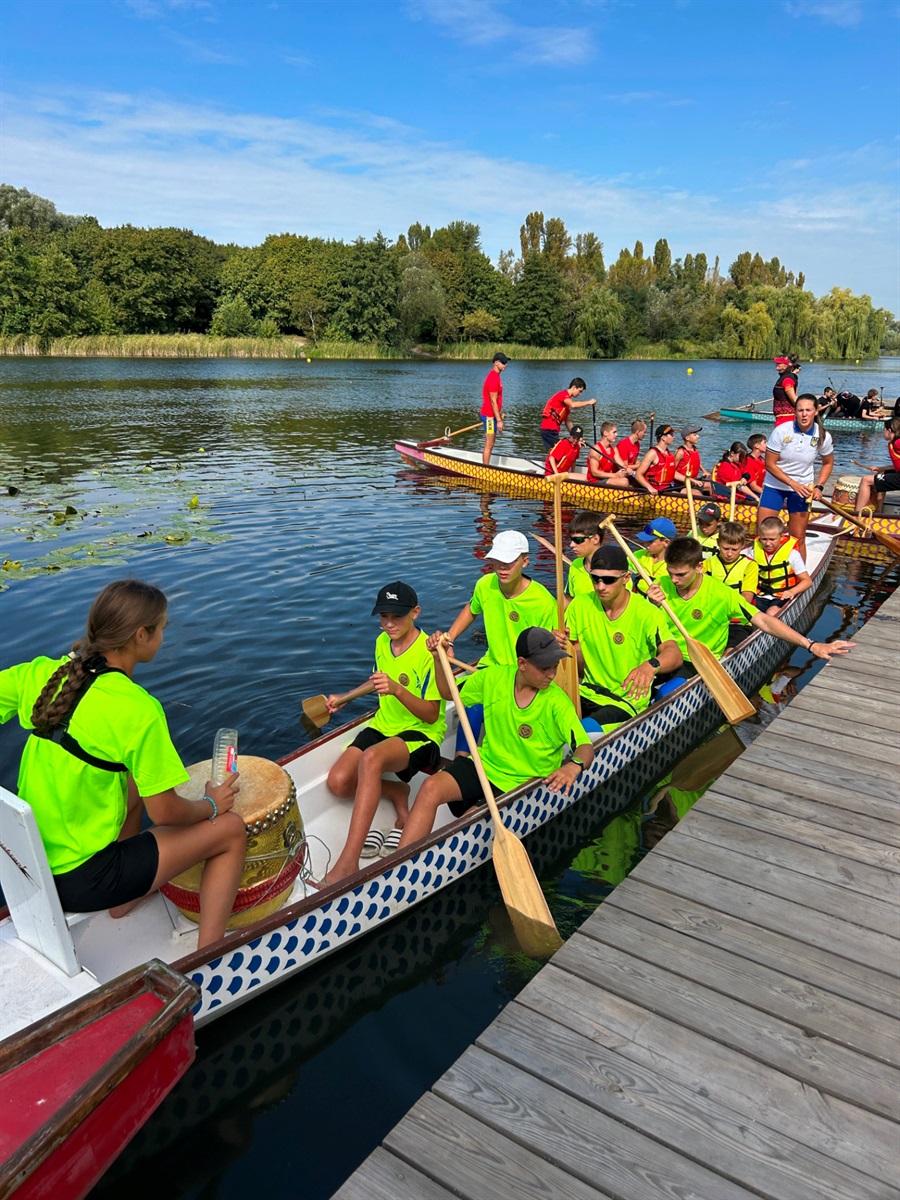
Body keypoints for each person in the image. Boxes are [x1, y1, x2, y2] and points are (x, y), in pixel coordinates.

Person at [0, 579, 245, 950]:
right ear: (141, 635)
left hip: (29, 870)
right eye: (163, 628)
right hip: (85, 880)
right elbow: (165, 813)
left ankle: (124, 899)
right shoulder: (137, 708)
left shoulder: (43, 675)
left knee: (130, 776)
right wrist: (211, 804)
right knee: (230, 830)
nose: (164, 635)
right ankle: (211, 956)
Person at [396, 627, 594, 849]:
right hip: (486, 765)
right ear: (522, 663)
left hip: (521, 782)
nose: (552, 674)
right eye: (544, 668)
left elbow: (585, 747)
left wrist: (573, 767)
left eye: (555, 667)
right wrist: (437, 660)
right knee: (430, 787)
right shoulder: (494, 677)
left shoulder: (557, 703)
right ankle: (400, 863)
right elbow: (448, 693)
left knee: (468, 824)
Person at [322, 581, 446, 883]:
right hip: (383, 725)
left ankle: (348, 862)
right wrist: (345, 697)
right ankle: (395, 790)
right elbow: (379, 681)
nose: (389, 624)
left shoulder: (429, 651)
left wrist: (398, 690)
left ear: (415, 613)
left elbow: (431, 714)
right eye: (383, 617)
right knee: (337, 783)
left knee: (372, 759)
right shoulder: (382, 642)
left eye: (397, 617)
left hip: (421, 733)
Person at [646, 537, 854, 661]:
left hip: (697, 661)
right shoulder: (661, 583)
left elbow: (763, 621)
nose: (674, 580)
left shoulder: (721, 593)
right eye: (670, 573)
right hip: (662, 654)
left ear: (699, 567)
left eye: (681, 575)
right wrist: (649, 604)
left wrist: (811, 645)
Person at [566, 544, 682, 732]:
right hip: (586, 691)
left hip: (626, 702)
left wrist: (650, 666)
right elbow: (565, 648)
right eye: (595, 578)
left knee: (582, 731)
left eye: (608, 580)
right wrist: (556, 644)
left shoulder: (646, 613)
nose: (600, 586)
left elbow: (674, 653)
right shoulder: (580, 604)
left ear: (626, 578)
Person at [758, 393, 834, 559]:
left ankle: (801, 578)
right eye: (800, 410)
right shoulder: (781, 431)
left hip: (803, 489)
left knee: (798, 537)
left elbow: (827, 463)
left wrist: (819, 486)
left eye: (808, 410)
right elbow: (769, 464)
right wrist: (792, 483)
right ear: (795, 412)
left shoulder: (823, 436)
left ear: (816, 411)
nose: (804, 414)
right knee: (762, 534)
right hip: (775, 487)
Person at [704, 521, 758, 644]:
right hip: (712, 618)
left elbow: (746, 599)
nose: (729, 553)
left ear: (743, 545)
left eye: (734, 549)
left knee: (732, 646)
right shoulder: (707, 564)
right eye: (725, 548)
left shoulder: (750, 566)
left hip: (738, 621)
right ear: (718, 543)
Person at [751, 516, 811, 614]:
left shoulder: (792, 554)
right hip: (760, 595)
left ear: (781, 537)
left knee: (771, 612)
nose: (767, 543)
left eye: (772, 539)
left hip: (782, 596)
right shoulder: (754, 552)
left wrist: (792, 591)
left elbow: (807, 581)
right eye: (764, 539)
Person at [855, 418, 900, 513]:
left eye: (884, 429)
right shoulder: (893, 443)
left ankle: (856, 516)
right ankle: (879, 511)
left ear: (889, 430)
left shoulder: (897, 443)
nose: (883, 431)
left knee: (866, 480)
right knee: (883, 474)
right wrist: (881, 469)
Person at [539, 378, 596, 450]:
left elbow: (568, 422)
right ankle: (551, 461)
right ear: (574, 387)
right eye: (580, 391)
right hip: (548, 429)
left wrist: (577, 437)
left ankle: (552, 460)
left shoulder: (567, 403)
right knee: (560, 451)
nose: (580, 394)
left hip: (553, 430)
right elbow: (573, 405)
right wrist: (589, 402)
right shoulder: (563, 394)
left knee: (562, 450)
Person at [565, 511, 607, 601]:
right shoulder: (575, 565)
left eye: (578, 540)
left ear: (595, 539)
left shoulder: (616, 567)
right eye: (571, 539)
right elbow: (569, 599)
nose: (571, 545)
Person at [631, 517, 676, 596]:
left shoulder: (675, 565)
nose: (645, 545)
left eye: (650, 542)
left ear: (666, 542)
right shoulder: (639, 555)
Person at [480, 352, 509, 465]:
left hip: (492, 416)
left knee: (491, 443)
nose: (505, 365)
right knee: (489, 444)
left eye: (506, 362)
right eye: (503, 362)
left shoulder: (496, 376)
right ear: (496, 363)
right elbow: (493, 402)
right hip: (489, 416)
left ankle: (486, 466)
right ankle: (485, 469)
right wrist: (499, 421)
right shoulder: (493, 378)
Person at [586, 422, 633, 488]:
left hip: (607, 478)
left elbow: (622, 465)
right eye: (614, 432)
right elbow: (594, 472)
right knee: (624, 482)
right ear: (605, 433)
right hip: (595, 480)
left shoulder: (614, 449)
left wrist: (627, 469)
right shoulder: (596, 450)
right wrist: (615, 475)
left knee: (634, 476)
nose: (616, 434)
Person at [634, 424, 678, 494]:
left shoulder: (670, 454)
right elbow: (638, 475)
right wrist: (649, 488)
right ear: (663, 437)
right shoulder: (652, 454)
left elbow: (673, 473)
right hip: (656, 490)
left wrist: (690, 480)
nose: (674, 437)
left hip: (667, 488)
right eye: (671, 435)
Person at [674, 425, 712, 490]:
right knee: (710, 486)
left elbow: (695, 462)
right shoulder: (681, 452)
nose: (698, 436)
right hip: (681, 484)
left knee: (714, 484)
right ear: (687, 438)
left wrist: (704, 471)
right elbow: (672, 471)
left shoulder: (695, 449)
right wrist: (692, 480)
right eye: (695, 435)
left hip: (693, 481)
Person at [772, 354, 800, 425]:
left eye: (778, 364)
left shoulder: (787, 380)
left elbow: (794, 400)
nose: (776, 366)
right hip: (781, 418)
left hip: (787, 419)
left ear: (785, 366)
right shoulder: (783, 377)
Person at [742, 433, 767, 497]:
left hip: (759, 490)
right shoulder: (748, 461)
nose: (767, 445)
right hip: (750, 493)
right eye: (765, 442)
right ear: (757, 446)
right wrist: (768, 495)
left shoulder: (761, 459)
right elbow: (753, 487)